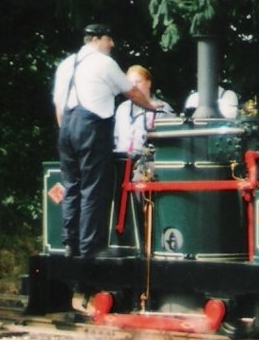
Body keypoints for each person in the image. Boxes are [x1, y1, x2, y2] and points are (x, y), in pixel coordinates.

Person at [52, 23, 160, 259]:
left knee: (72, 186)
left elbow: (59, 106)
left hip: (67, 128)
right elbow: (130, 91)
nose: (111, 44)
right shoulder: (104, 63)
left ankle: (71, 244)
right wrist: (152, 106)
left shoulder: (66, 65)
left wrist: (68, 131)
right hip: (91, 127)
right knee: (94, 187)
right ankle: (91, 247)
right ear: (96, 40)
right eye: (108, 39)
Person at [114, 65, 174, 157]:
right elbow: (116, 137)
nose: (134, 85)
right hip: (122, 163)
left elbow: (171, 143)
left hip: (149, 164)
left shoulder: (162, 109)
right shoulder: (122, 108)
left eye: (138, 81)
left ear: (149, 83)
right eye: (130, 82)